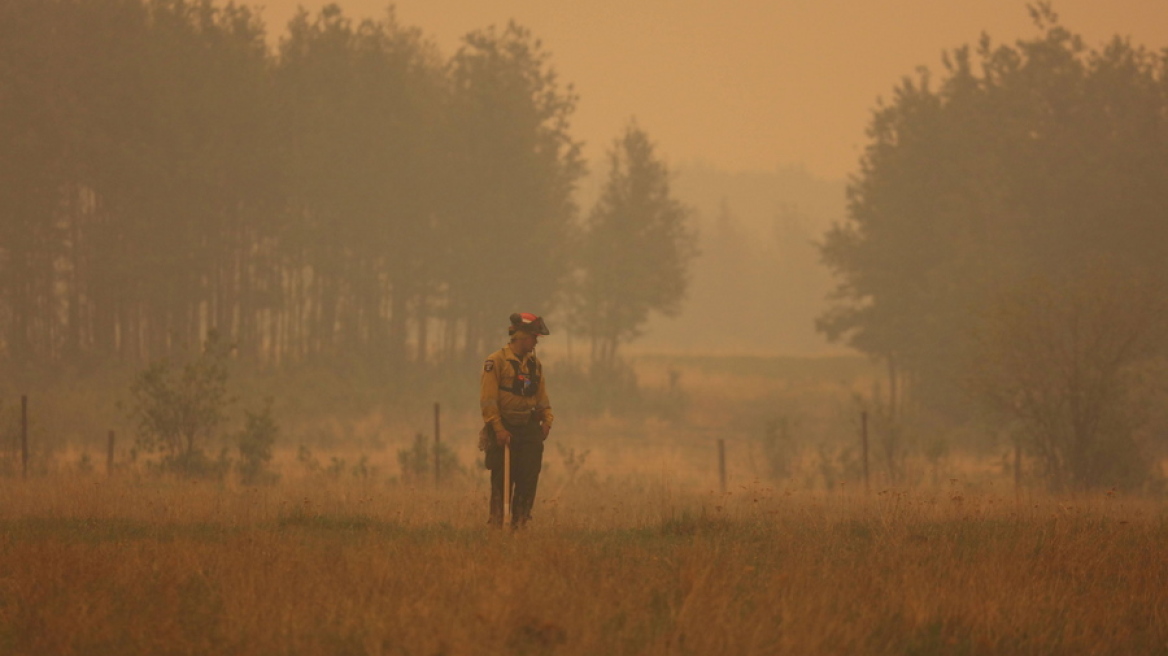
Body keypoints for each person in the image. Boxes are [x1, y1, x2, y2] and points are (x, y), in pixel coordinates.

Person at [480, 312, 553, 528]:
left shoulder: (535, 365)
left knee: (528, 479)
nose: (536, 342)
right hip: (504, 428)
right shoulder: (496, 361)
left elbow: (542, 398)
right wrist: (499, 429)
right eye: (533, 337)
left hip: (528, 429)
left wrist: (547, 420)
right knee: (502, 481)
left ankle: (520, 524)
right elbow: (488, 400)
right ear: (521, 337)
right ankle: (496, 525)